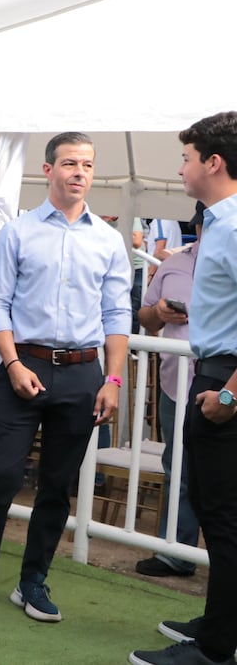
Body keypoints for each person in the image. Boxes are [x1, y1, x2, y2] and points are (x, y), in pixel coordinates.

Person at [0, 132, 131, 623]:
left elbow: (117, 314)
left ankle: (33, 582)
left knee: (56, 485)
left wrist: (112, 381)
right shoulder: (20, 232)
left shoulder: (108, 240)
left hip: (84, 373)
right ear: (48, 170)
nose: (80, 172)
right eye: (70, 163)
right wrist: (13, 363)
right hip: (23, 366)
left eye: (87, 164)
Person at [130, 112, 237, 665]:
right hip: (214, 373)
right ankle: (221, 624)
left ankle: (217, 648)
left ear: (212, 163)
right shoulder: (221, 224)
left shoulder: (235, 224)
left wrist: (229, 396)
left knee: (222, 516)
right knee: (219, 511)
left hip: (226, 380)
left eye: (187, 158)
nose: (181, 168)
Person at [132, 208, 203, 579]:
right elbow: (145, 316)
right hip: (176, 384)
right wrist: (159, 311)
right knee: (178, 469)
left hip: (225, 386)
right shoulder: (174, 266)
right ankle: (175, 550)